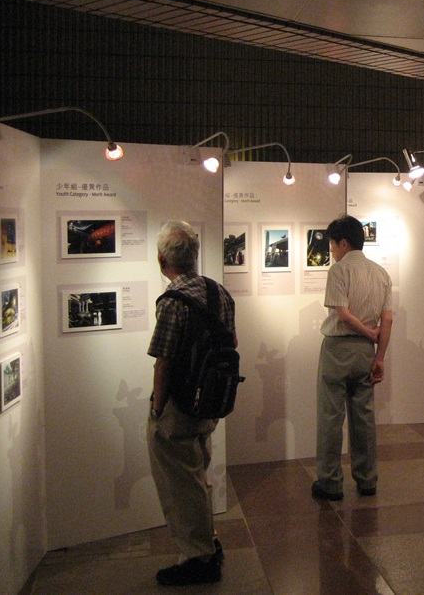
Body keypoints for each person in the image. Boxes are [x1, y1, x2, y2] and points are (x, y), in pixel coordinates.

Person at [147, 220, 237, 586]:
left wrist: (157, 408)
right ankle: (207, 542)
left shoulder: (172, 302)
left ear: (161, 259)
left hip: (180, 404)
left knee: (178, 480)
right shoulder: (219, 293)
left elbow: (163, 362)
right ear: (195, 257)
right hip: (211, 401)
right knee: (198, 470)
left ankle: (198, 557)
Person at [312, 215, 393, 501]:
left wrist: (370, 335)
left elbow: (343, 314)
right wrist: (379, 354)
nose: (331, 251)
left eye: (332, 245)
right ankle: (367, 479)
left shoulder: (339, 271)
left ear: (343, 243)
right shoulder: (380, 273)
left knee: (331, 417)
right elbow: (387, 319)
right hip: (365, 353)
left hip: (338, 349)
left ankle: (331, 483)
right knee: (364, 417)